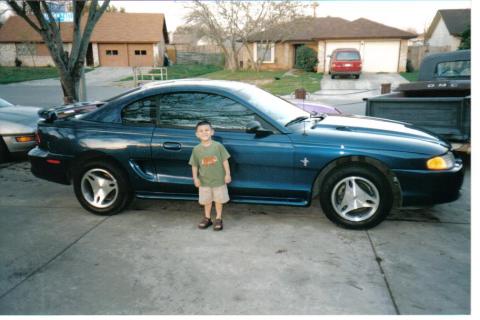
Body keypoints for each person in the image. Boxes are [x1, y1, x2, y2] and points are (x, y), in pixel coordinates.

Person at [189, 120, 231, 231]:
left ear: (212, 132)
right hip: (204, 181)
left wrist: (227, 174)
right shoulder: (196, 149)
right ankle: (207, 218)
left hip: (219, 180)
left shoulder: (218, 146)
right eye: (201, 131)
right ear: (197, 134)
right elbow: (194, 165)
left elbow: (225, 161)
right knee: (206, 201)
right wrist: (195, 178)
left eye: (207, 130)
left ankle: (218, 218)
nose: (204, 133)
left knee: (218, 200)